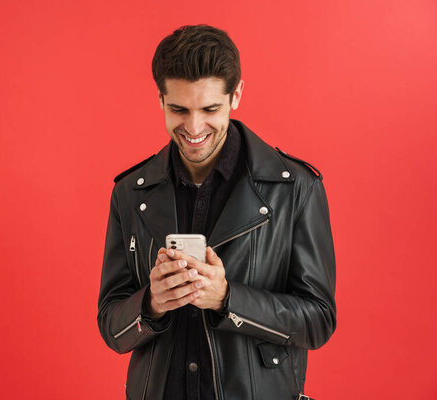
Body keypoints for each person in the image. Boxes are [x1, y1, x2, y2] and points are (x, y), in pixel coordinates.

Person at [97, 24, 336, 400]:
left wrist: (228, 298)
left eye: (210, 108)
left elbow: (318, 320)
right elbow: (112, 328)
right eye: (178, 108)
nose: (194, 128)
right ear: (160, 99)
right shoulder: (130, 193)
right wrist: (152, 303)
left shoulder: (296, 189)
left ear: (236, 95)